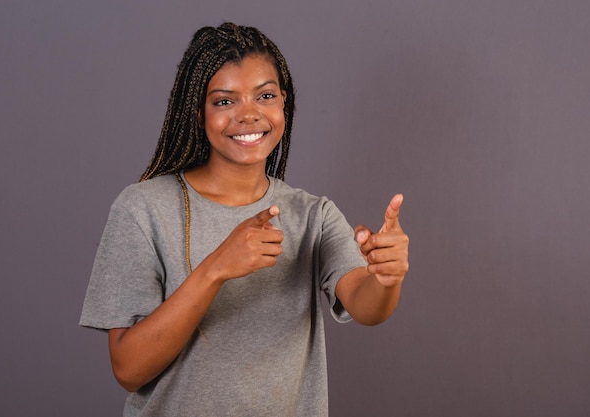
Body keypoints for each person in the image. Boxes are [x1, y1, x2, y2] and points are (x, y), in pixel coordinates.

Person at [80, 22, 409, 417]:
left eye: (265, 96)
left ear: (282, 103)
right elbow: (129, 369)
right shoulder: (143, 209)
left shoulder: (312, 216)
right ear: (198, 111)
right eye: (224, 101)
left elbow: (366, 306)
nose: (248, 115)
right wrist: (216, 267)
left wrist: (386, 276)